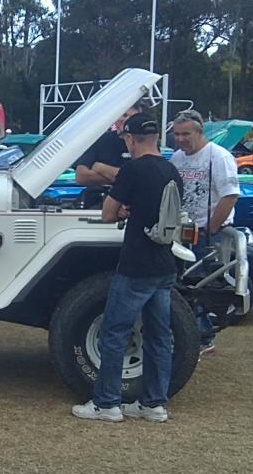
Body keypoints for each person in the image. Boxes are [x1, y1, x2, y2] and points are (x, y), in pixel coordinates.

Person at [72, 114, 182, 424]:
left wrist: (120, 208)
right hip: (164, 263)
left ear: (132, 139)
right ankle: (154, 404)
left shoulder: (133, 169)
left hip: (136, 265)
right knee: (159, 336)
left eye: (126, 140)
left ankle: (106, 403)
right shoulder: (172, 169)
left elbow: (107, 214)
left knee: (114, 333)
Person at [169, 109, 240, 355]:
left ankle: (202, 338)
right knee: (183, 286)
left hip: (207, 233)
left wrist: (211, 226)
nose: (180, 139)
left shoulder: (218, 157)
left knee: (199, 286)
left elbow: (230, 195)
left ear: (199, 132)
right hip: (181, 232)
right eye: (176, 134)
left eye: (185, 134)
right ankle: (193, 334)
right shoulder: (177, 158)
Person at [74, 101, 145, 186]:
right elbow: (81, 176)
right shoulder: (99, 140)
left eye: (130, 116)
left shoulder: (145, 141)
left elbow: (143, 176)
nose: (124, 120)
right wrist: (123, 177)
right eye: (123, 115)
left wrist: (100, 168)